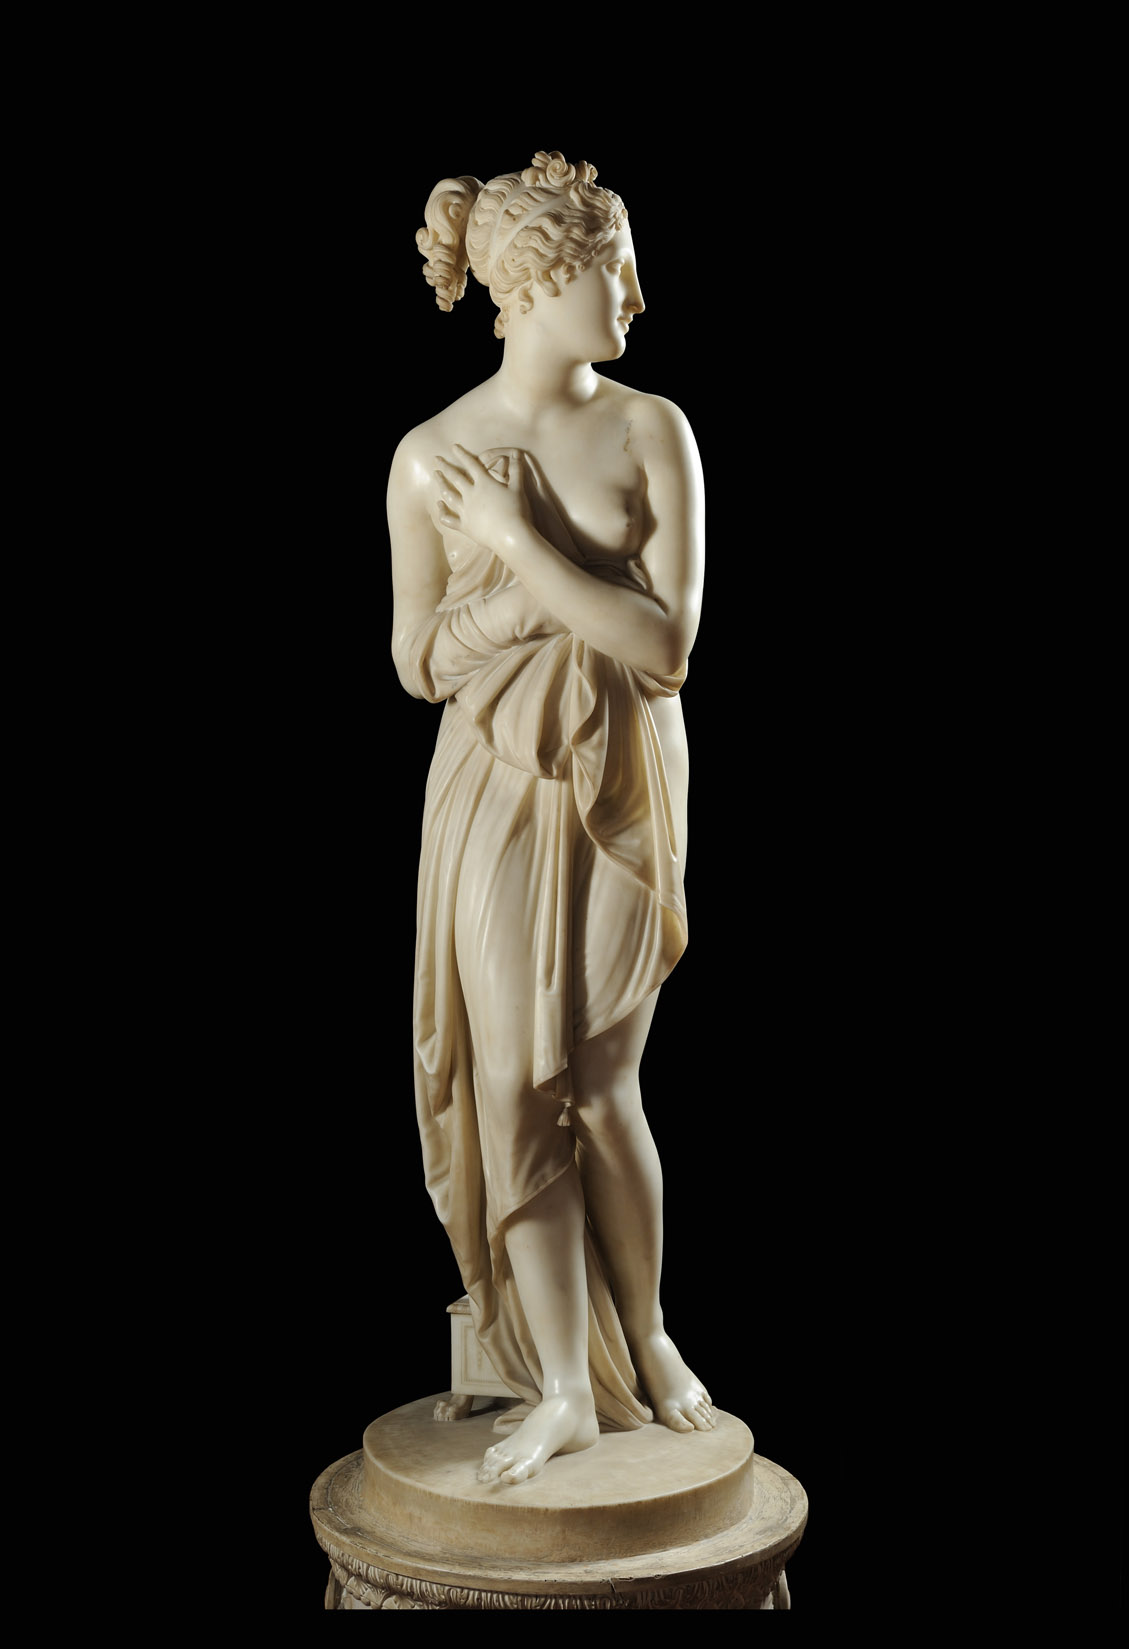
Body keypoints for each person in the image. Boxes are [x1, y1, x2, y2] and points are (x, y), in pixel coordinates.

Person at [387, 152, 711, 1485]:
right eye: (612, 273)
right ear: (535, 282)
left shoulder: (652, 430)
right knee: (516, 1089)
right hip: (493, 794)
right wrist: (539, 597)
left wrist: (522, 548)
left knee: (604, 1081)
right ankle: (567, 1387)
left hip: (618, 783)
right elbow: (416, 659)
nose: (632, 298)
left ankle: (652, 1337)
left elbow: (665, 647)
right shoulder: (428, 458)